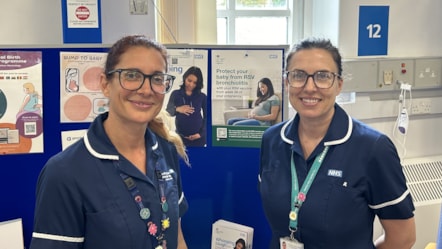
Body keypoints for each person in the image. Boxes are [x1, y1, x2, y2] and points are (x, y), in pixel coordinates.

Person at [30, 35, 190, 249]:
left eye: (157, 78)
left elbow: (176, 237)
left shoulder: (166, 150)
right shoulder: (64, 173)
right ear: (106, 84)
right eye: (132, 75)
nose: (146, 89)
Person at [258, 38, 416, 249]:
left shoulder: (373, 149)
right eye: (298, 76)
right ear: (287, 83)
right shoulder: (272, 140)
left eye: (323, 76)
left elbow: (403, 237)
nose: (310, 87)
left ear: (339, 84)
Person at [166, 66, 207, 147]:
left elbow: (207, 117)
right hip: (180, 139)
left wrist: (200, 134)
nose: (191, 84)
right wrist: (177, 109)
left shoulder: (202, 96)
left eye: (195, 82)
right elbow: (168, 112)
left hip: (198, 140)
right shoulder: (175, 94)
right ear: (185, 78)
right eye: (189, 80)